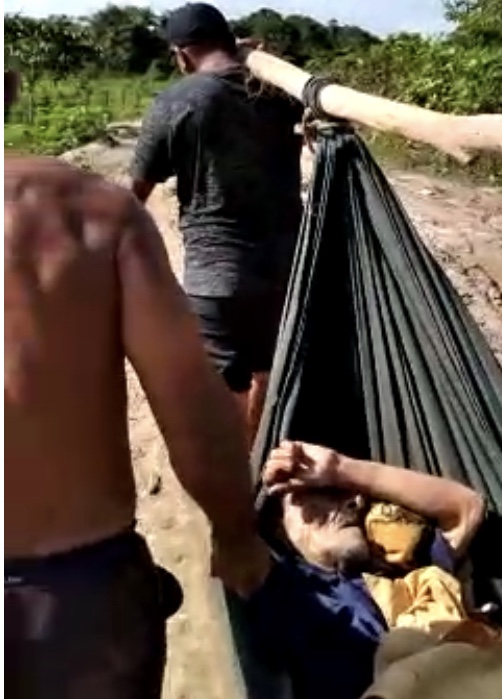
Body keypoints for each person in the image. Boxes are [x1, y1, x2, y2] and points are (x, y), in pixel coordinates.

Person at [5, 69, 270, 699]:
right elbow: (192, 405)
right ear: (11, 88)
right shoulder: (90, 213)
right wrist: (235, 535)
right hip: (72, 602)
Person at [129, 3, 304, 451]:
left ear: (182, 54)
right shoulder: (279, 93)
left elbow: (135, 193)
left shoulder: (179, 100)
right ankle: (263, 458)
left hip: (218, 272)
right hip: (289, 263)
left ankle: (238, 472)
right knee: (267, 364)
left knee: (225, 378)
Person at [245, 440, 486, 699]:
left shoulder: (398, 573)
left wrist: (340, 468)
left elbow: (467, 508)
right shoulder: (284, 593)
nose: (352, 502)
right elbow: (224, 545)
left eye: (341, 492)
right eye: (315, 493)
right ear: (281, 530)